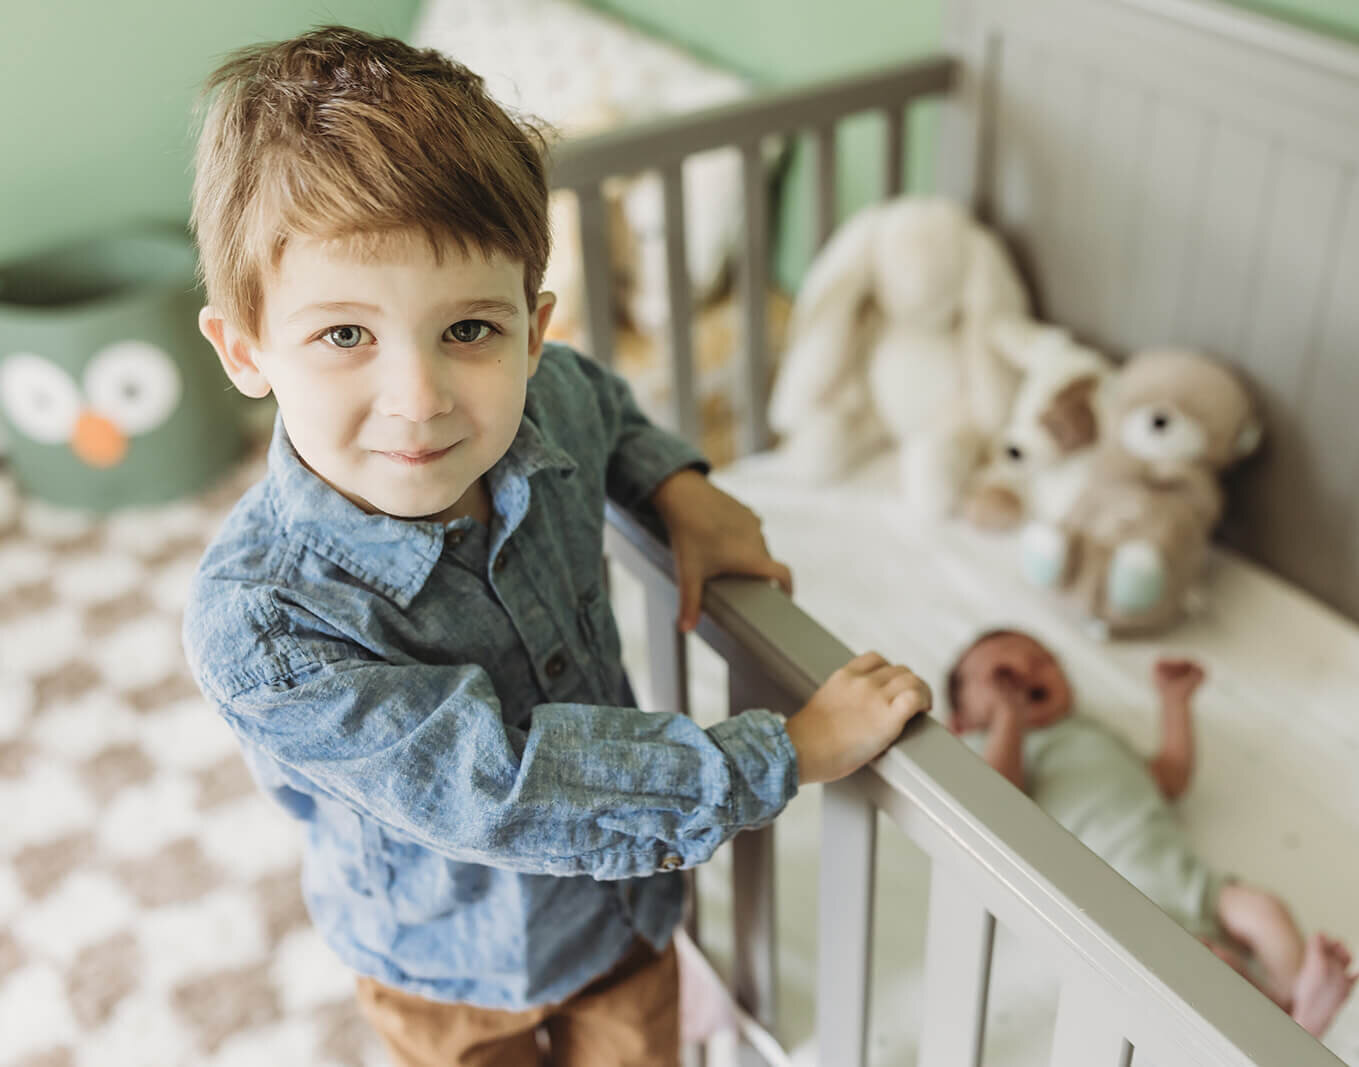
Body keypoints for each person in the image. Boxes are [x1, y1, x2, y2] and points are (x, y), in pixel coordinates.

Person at [182, 26, 931, 1066]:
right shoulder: (266, 626)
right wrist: (787, 749)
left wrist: (678, 485)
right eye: (346, 335)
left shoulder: (554, 399)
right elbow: (499, 782)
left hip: (623, 912)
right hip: (444, 966)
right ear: (247, 349)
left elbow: (606, 405)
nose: (420, 398)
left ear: (533, 331)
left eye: (469, 330)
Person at [946, 629, 1358, 1038]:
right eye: (1002, 677)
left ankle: (1293, 1001)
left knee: (1266, 911)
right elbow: (995, 800)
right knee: (1212, 968)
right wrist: (1008, 719)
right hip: (1131, 899)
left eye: (1041, 661)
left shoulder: (1092, 733)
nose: (1025, 674)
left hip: (1190, 877)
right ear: (961, 721)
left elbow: (1170, 776)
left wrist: (1174, 702)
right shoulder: (996, 751)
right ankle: (1295, 1028)